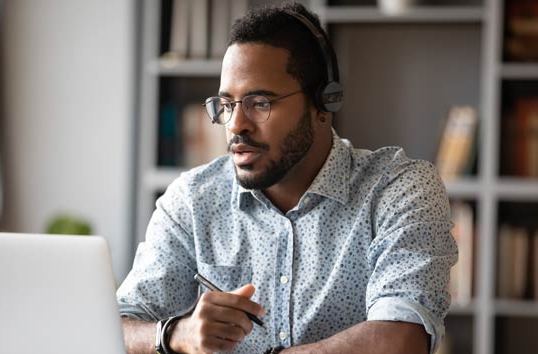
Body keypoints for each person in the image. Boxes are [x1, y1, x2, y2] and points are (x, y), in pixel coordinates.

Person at [117, 2, 457, 354]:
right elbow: (117, 327)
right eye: (226, 104)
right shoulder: (192, 200)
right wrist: (175, 334)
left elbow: (401, 339)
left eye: (259, 102)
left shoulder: (399, 189)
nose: (236, 124)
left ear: (324, 102)